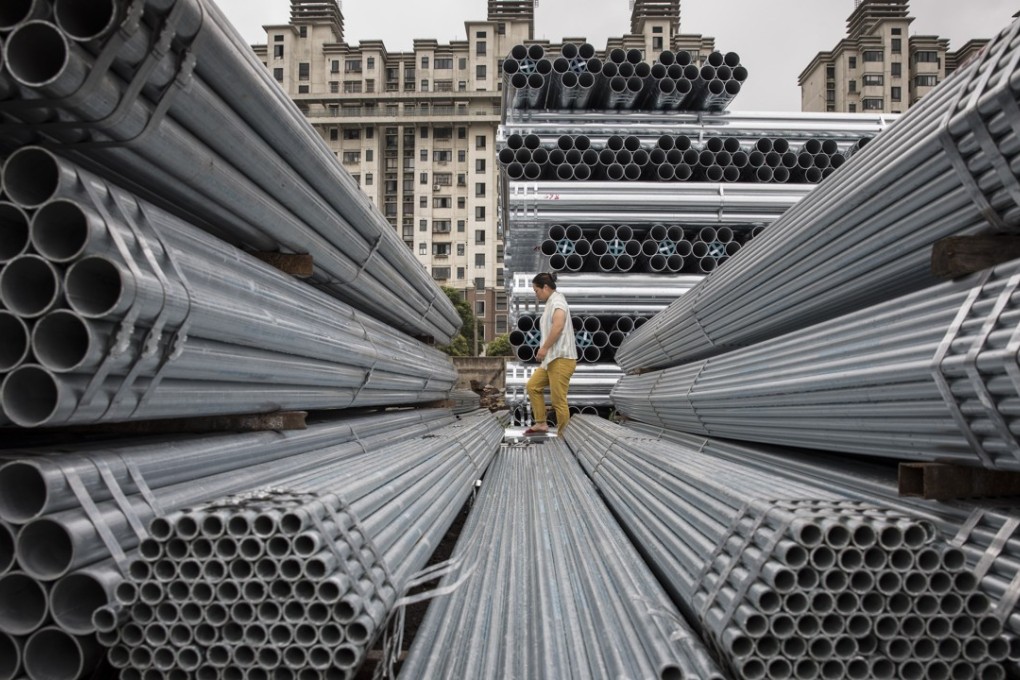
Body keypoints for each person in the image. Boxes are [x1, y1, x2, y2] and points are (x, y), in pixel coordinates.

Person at [525, 272, 578, 436]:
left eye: (536, 290)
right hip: (552, 360)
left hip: (561, 358)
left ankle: (564, 436)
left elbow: (559, 325)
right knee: (533, 386)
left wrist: (544, 348)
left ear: (545, 287)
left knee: (558, 401)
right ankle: (541, 423)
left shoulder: (557, 301)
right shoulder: (550, 302)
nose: (536, 294)